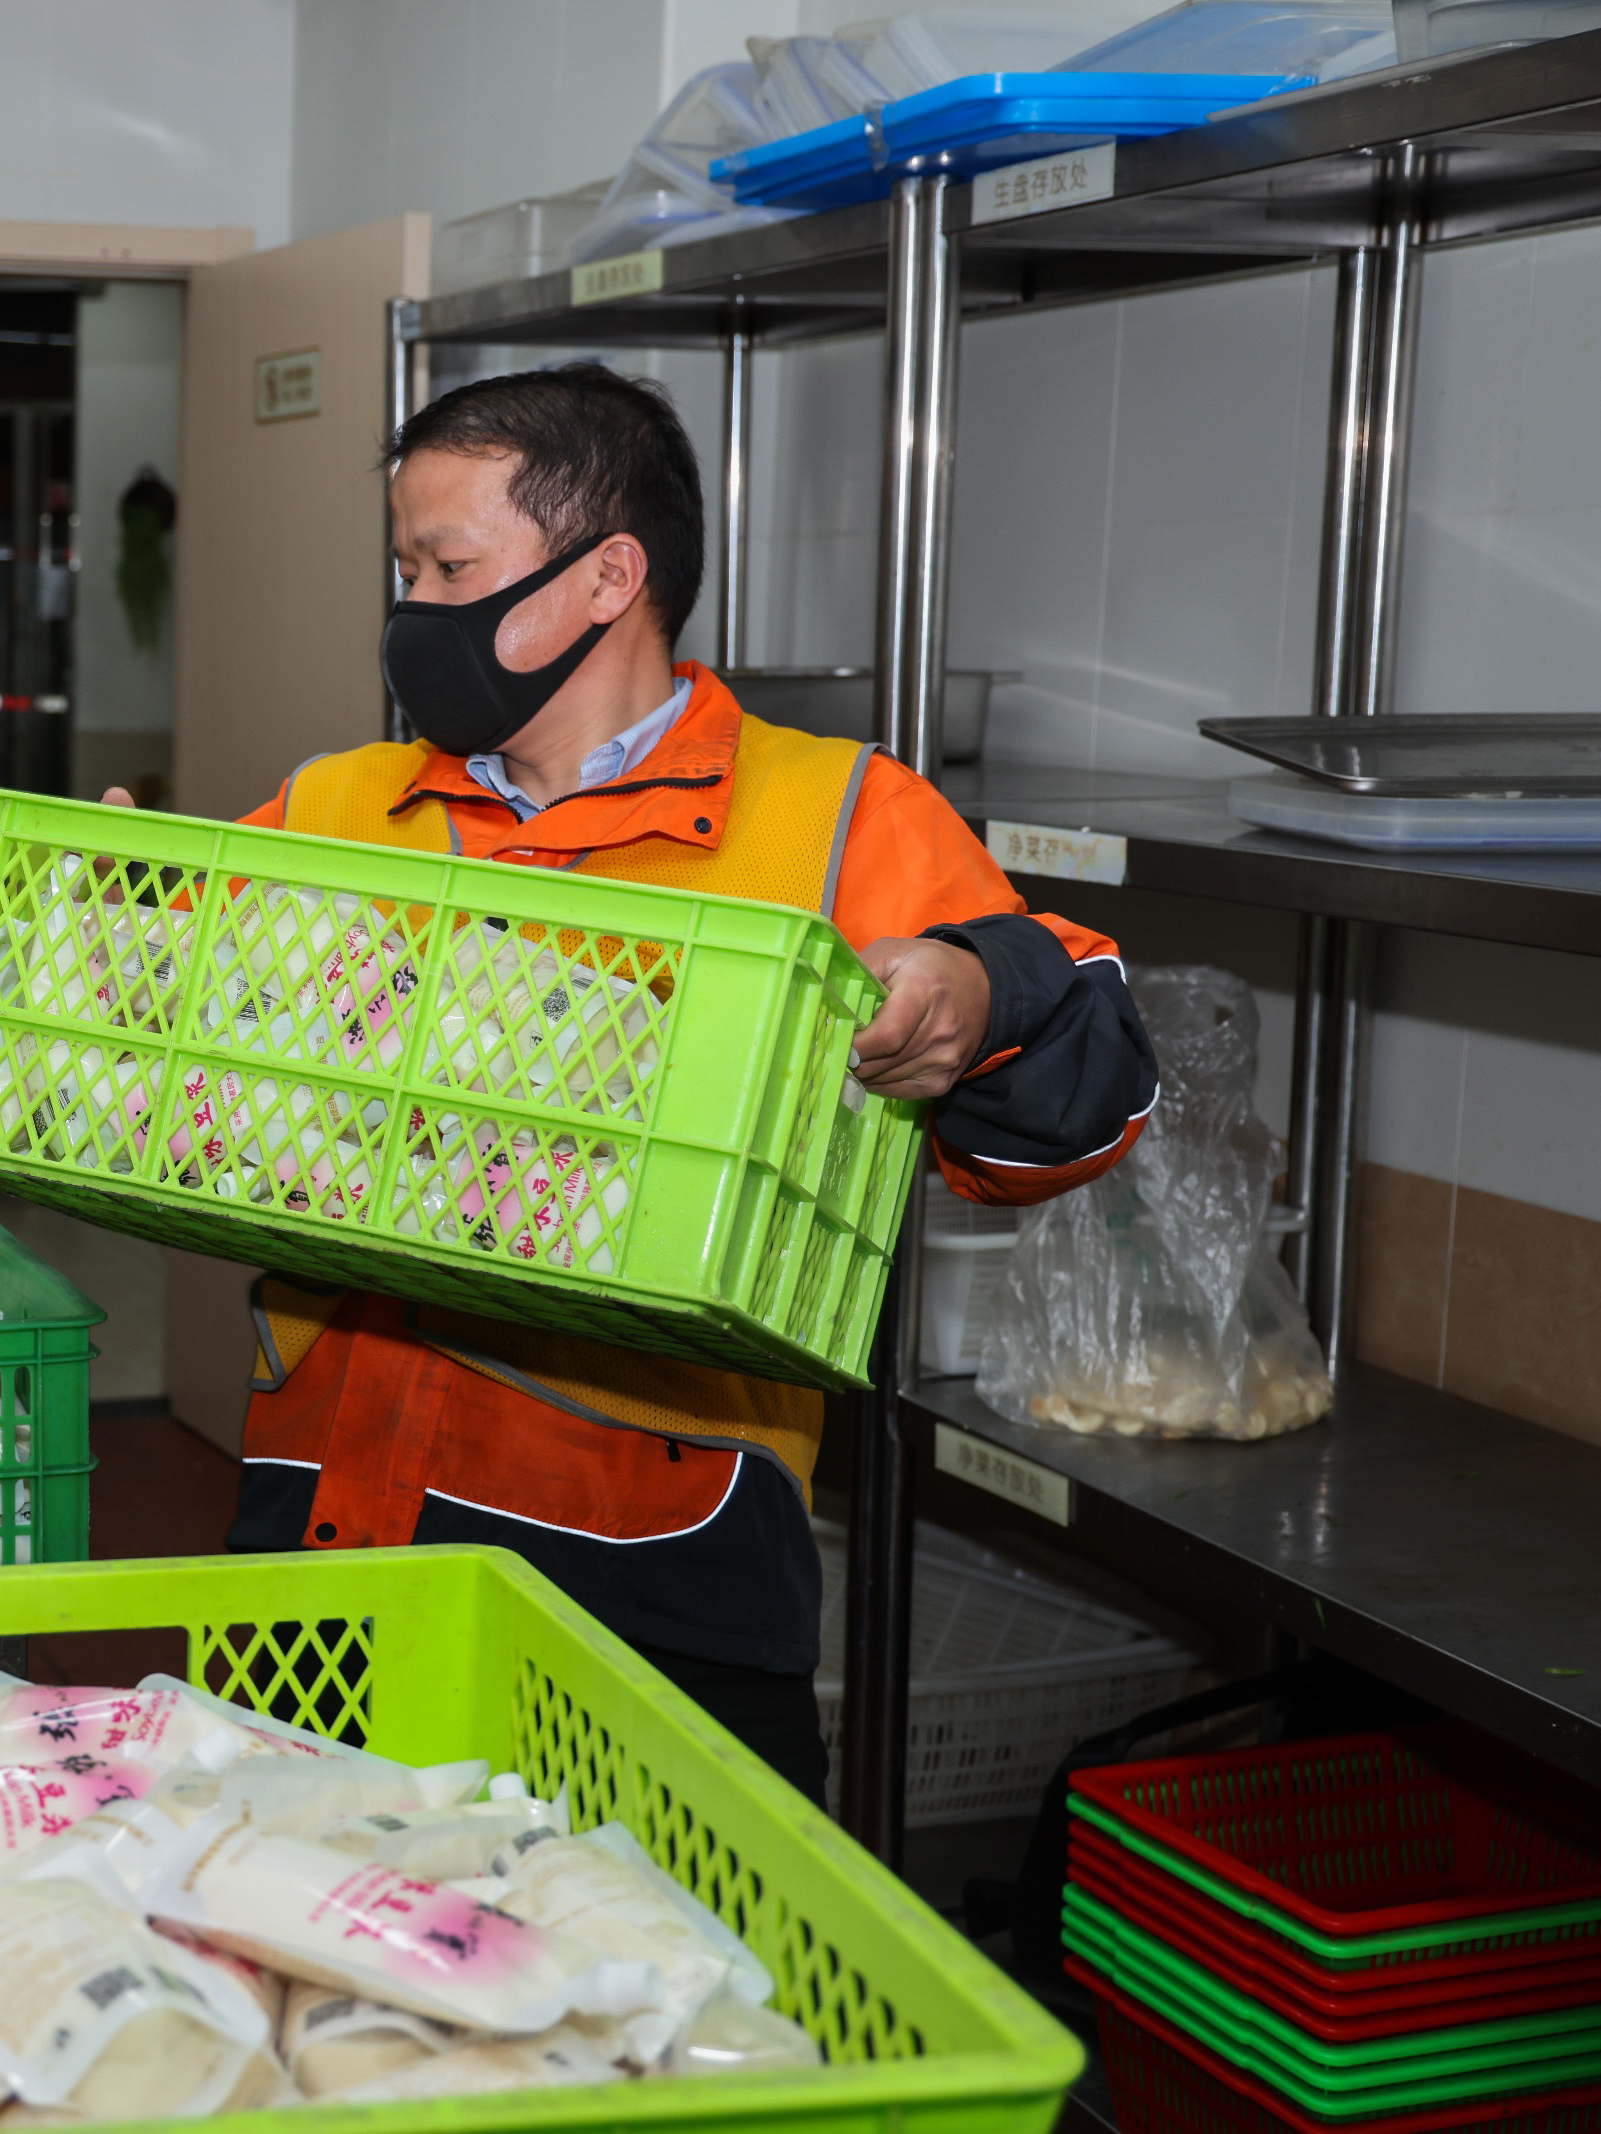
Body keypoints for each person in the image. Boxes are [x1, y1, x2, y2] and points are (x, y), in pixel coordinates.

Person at [108, 364, 1156, 1800]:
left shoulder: (836, 816)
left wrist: (976, 998)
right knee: (309, 1946)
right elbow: (189, 1074)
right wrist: (121, 926)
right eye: (402, 567)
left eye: (447, 565)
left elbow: (1085, 1105)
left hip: (651, 1552)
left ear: (608, 575)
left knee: (665, 1977)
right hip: (327, 1524)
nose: (411, 608)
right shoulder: (348, 803)